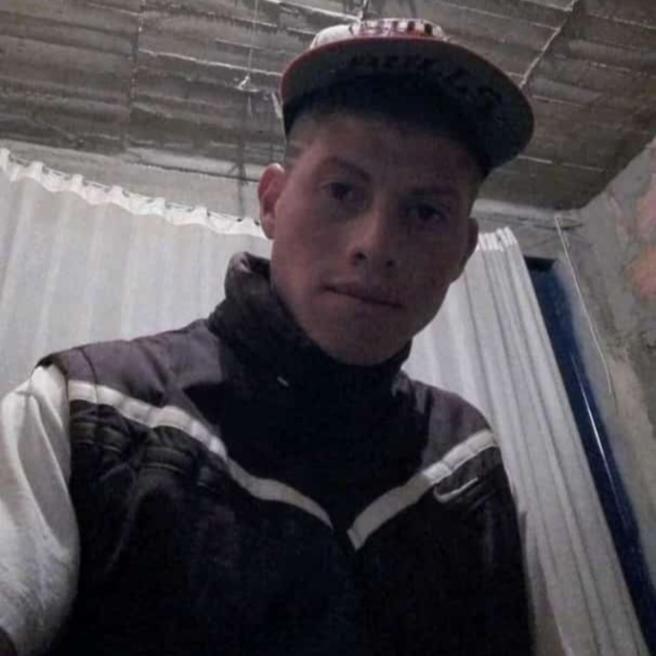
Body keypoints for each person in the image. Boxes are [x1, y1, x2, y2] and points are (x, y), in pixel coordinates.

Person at [0, 17, 534, 656]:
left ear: (464, 251)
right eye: (343, 190)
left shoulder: (466, 461)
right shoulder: (82, 412)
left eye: (426, 212)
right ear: (273, 202)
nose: (376, 245)